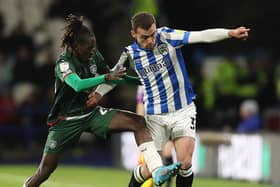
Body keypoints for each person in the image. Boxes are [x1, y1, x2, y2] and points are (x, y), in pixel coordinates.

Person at [90, 12, 250, 187]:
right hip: (155, 117)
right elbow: (114, 77)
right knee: (150, 169)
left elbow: (201, 35)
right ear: (133, 34)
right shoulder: (130, 54)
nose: (151, 40)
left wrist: (230, 33)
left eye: (152, 34)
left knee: (185, 163)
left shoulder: (167, 36)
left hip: (183, 110)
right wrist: (97, 95)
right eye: (145, 37)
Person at [22, 14, 181, 187]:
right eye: (88, 48)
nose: (92, 51)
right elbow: (77, 85)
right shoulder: (64, 63)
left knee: (138, 122)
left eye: (93, 47)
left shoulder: (92, 56)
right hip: (65, 121)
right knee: (45, 171)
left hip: (91, 114)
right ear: (75, 47)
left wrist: (143, 80)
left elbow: (115, 77)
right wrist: (106, 76)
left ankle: (157, 170)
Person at [136, 85, 175, 187]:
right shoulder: (143, 83)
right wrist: (140, 126)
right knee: (149, 162)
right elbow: (140, 104)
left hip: (163, 123)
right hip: (149, 126)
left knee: (166, 153)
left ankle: (168, 184)